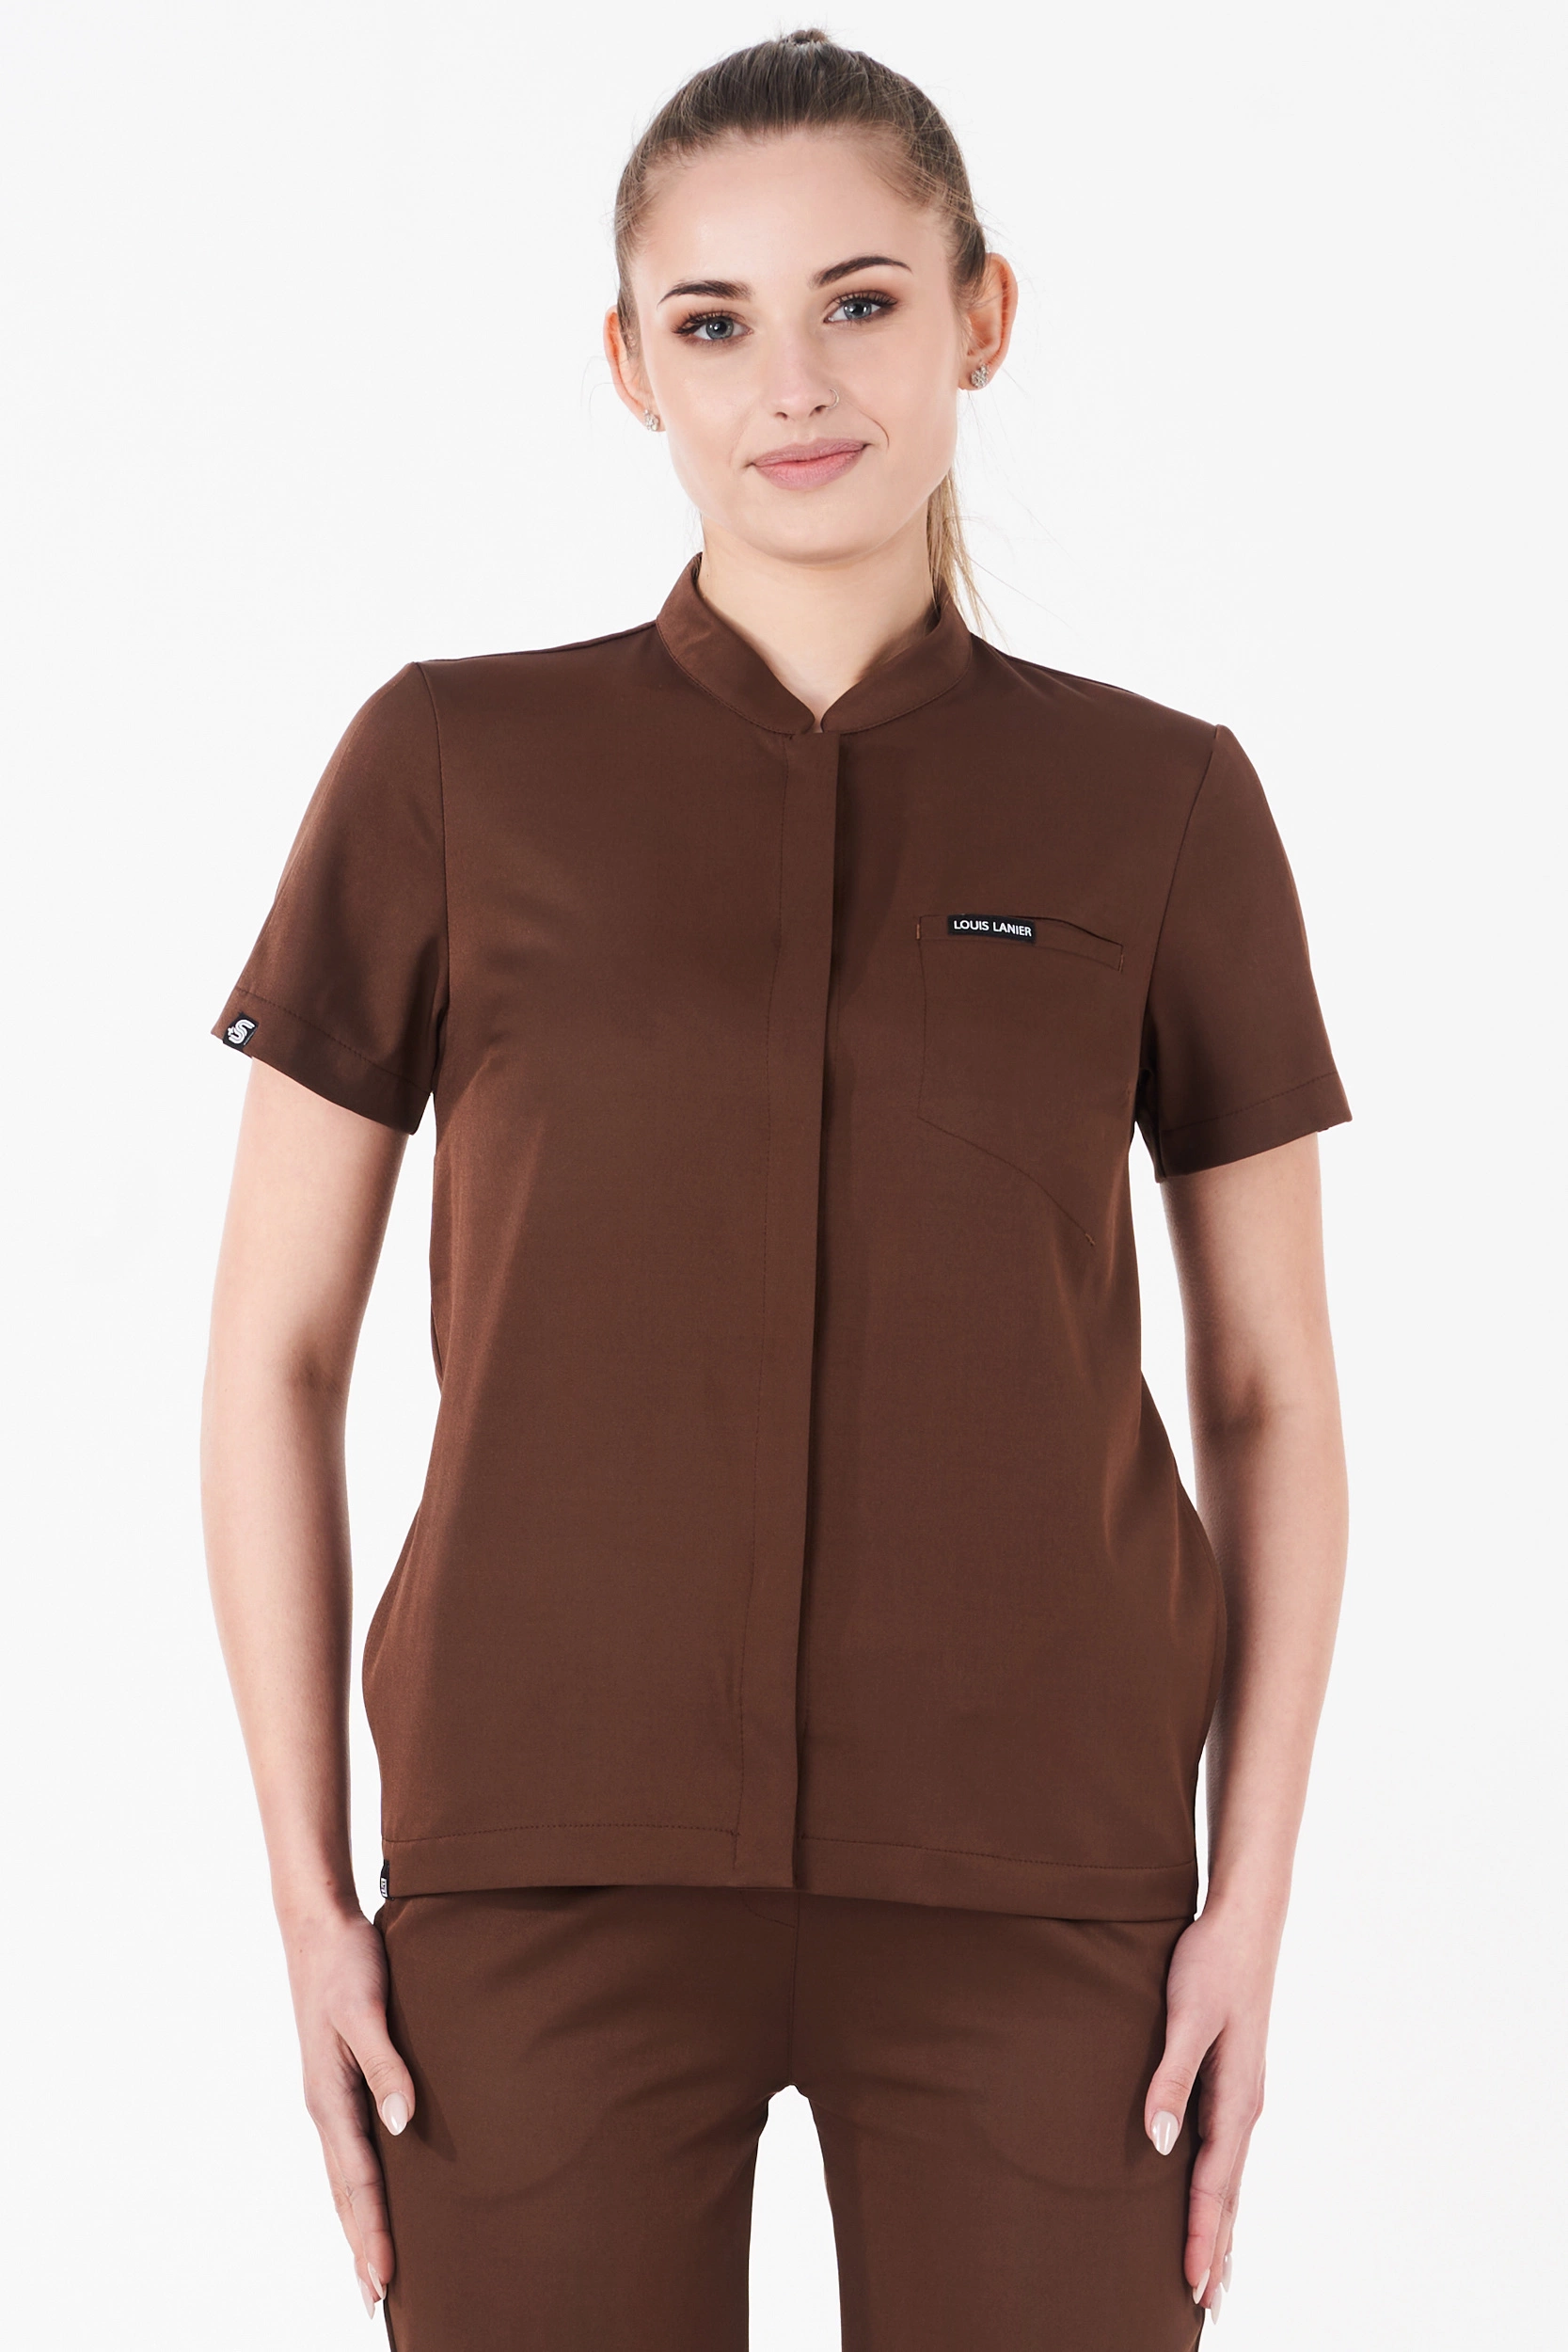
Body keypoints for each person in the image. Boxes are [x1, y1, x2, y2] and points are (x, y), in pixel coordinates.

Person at [200, 29, 1351, 2351]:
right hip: (539, 1860)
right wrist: (311, 1894)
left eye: (859, 301)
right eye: (713, 322)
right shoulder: (448, 765)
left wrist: (1245, 1900)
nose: (791, 383)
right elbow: (272, 1357)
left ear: (979, 318)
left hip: (1039, 1878)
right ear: (631, 364)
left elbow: (1268, 1393)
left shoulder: (1159, 804)